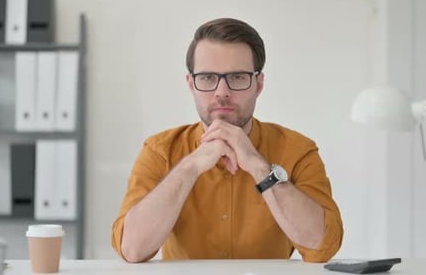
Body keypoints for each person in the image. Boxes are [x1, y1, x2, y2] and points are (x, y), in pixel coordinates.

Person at [111, 17, 343, 263]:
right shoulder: (159, 151)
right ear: (191, 84)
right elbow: (132, 249)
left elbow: (323, 246)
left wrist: (258, 166)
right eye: (208, 78)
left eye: (238, 77)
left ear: (259, 84)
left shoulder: (298, 150)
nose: (222, 92)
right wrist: (190, 166)